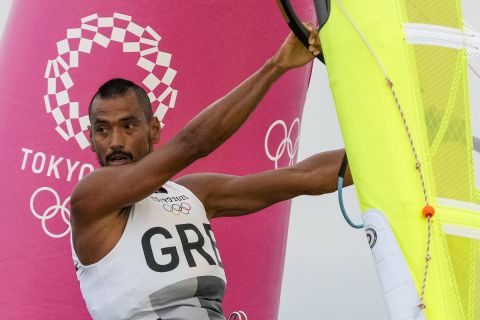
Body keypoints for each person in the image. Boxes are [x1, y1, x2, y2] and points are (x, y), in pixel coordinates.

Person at [70, 23, 351, 320]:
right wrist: (276, 66)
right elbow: (193, 143)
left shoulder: (192, 194)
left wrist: (397, 147)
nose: (115, 142)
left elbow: (302, 177)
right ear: (91, 139)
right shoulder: (91, 198)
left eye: (128, 126)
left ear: (153, 130)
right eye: (102, 130)